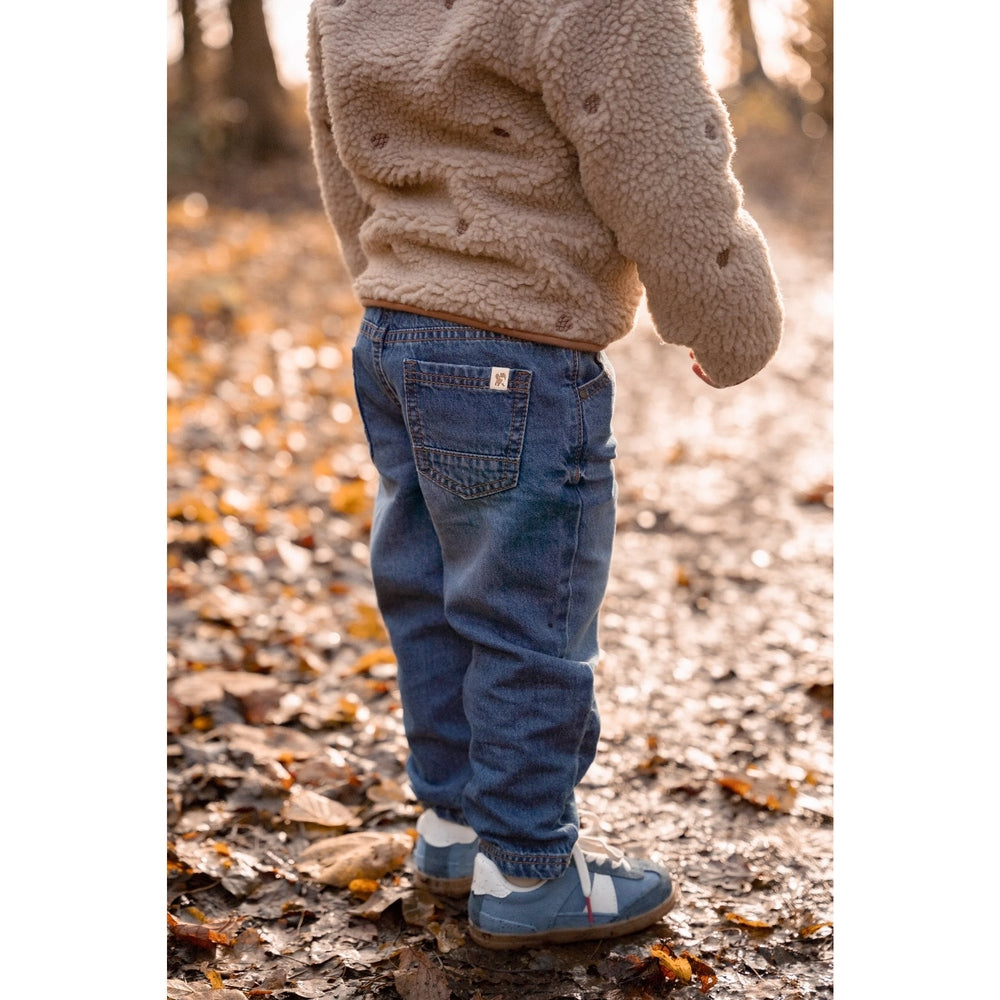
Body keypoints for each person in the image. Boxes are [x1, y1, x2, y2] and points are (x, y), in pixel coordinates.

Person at [306, 0, 783, 950]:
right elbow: (655, 145)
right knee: (526, 615)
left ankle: (455, 829)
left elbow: (339, 144)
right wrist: (725, 311)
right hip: (516, 341)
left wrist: (387, 268)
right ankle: (526, 870)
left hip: (396, 328)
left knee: (432, 588)